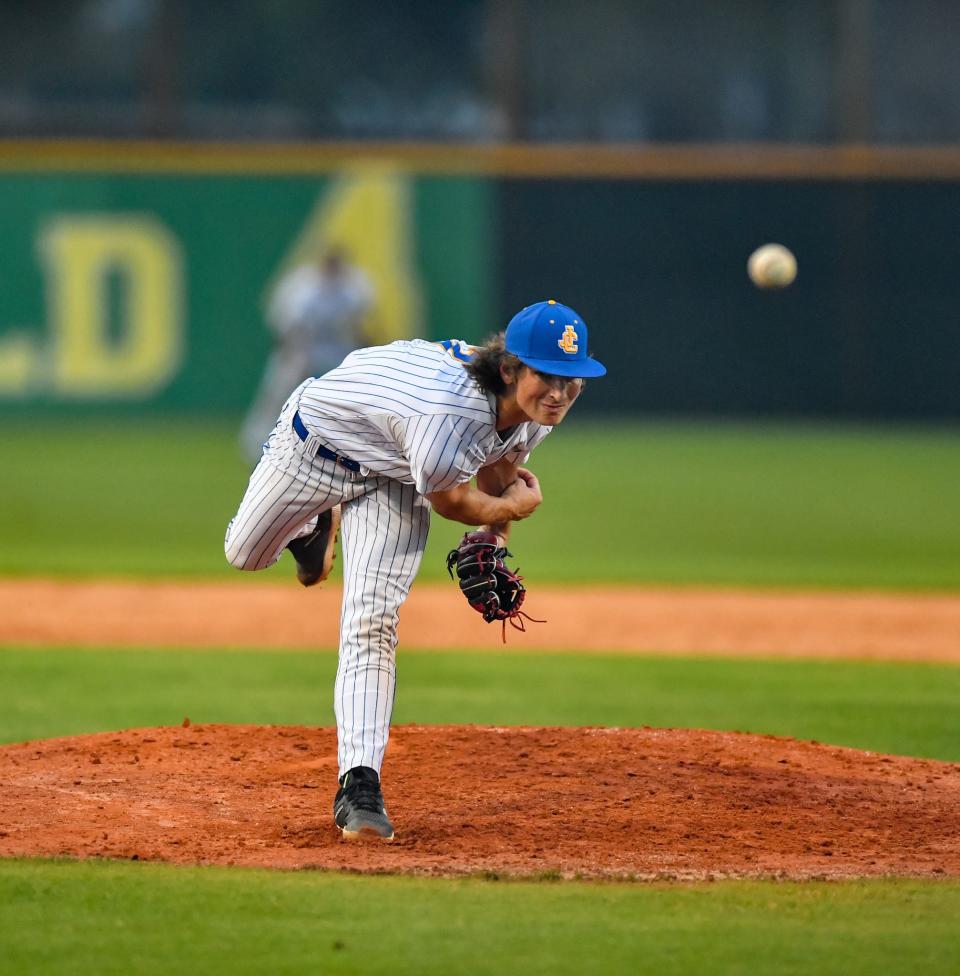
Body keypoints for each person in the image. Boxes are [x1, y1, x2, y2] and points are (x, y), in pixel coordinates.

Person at [224, 300, 607, 841]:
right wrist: (511, 512)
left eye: (573, 379)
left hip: (398, 476)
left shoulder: (535, 412)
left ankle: (359, 785)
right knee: (245, 554)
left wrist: (490, 541)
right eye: (547, 375)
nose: (560, 392)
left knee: (372, 620)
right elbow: (453, 499)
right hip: (315, 447)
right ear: (509, 369)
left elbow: (498, 469)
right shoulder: (450, 408)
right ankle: (311, 532)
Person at [240, 248, 375, 461]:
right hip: (303, 347)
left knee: (358, 397)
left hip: (336, 349)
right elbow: (286, 331)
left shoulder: (352, 287)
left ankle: (360, 449)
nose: (333, 270)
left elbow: (361, 328)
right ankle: (257, 447)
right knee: (277, 397)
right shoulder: (303, 287)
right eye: (329, 264)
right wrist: (292, 358)